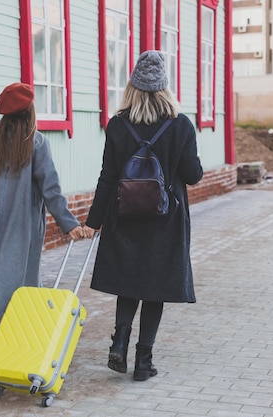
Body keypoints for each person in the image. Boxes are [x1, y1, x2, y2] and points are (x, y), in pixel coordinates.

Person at [81, 50, 203, 381]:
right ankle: (144, 362)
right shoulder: (181, 126)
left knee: (128, 282)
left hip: (124, 215)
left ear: (132, 87)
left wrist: (93, 222)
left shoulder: (118, 125)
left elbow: (107, 177)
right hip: (166, 218)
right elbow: (192, 175)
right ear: (166, 87)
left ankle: (119, 344)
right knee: (156, 287)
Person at [0, 82, 84, 376]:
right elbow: (51, 189)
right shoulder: (36, 143)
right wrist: (69, 225)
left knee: (15, 285)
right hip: (26, 228)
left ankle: (20, 346)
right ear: (29, 112)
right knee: (12, 288)